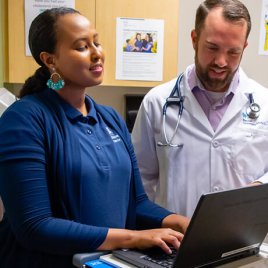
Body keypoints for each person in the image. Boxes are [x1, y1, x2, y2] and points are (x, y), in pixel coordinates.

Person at [0, 7, 189, 268]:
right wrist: (133, 238)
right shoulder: (24, 119)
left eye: (96, 42)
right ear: (50, 60)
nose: (97, 53)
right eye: (82, 46)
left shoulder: (110, 119)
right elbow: (34, 226)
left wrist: (178, 221)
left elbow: (137, 203)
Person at [132, 0, 268, 218]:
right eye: (212, 48)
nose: (221, 61)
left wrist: (260, 186)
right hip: (175, 244)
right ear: (194, 39)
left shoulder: (265, 103)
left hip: (243, 241)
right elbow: (140, 183)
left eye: (233, 52)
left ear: (244, 48)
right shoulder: (156, 103)